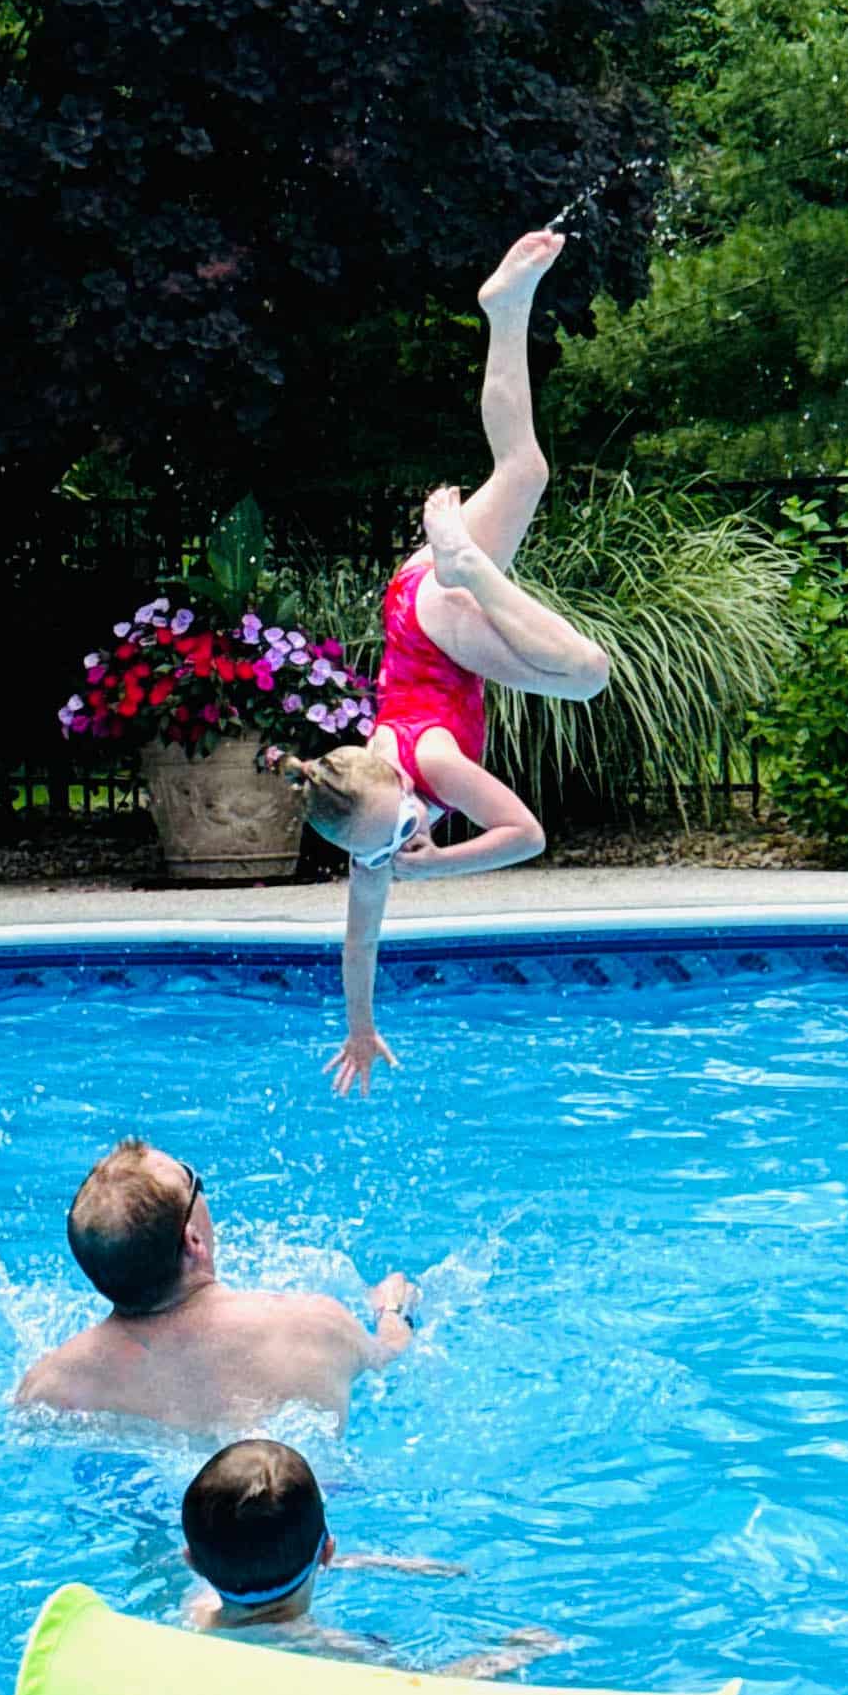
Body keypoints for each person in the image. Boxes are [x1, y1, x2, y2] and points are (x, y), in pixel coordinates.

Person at [264, 229, 610, 1097]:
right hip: (411, 602)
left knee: (588, 674)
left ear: (390, 783)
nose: (408, 831)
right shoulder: (364, 817)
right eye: (393, 840)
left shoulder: (428, 765)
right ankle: (506, 309)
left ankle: (470, 568)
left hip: (440, 619)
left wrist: (436, 865)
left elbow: (526, 836)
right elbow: (359, 937)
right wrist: (360, 1026)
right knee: (524, 468)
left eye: (401, 825)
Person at [13, 1140, 420, 1434]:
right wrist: (393, 1311)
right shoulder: (315, 1325)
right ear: (193, 1240)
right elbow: (389, 1356)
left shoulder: (50, 1386)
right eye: (193, 1182)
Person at [179, 1439, 568, 1681]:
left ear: (191, 1561)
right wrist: (517, 1653)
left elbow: (251, 1555)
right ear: (327, 1552)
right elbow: (434, 1685)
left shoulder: (194, 1607)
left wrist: (384, 1563)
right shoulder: (331, 1650)